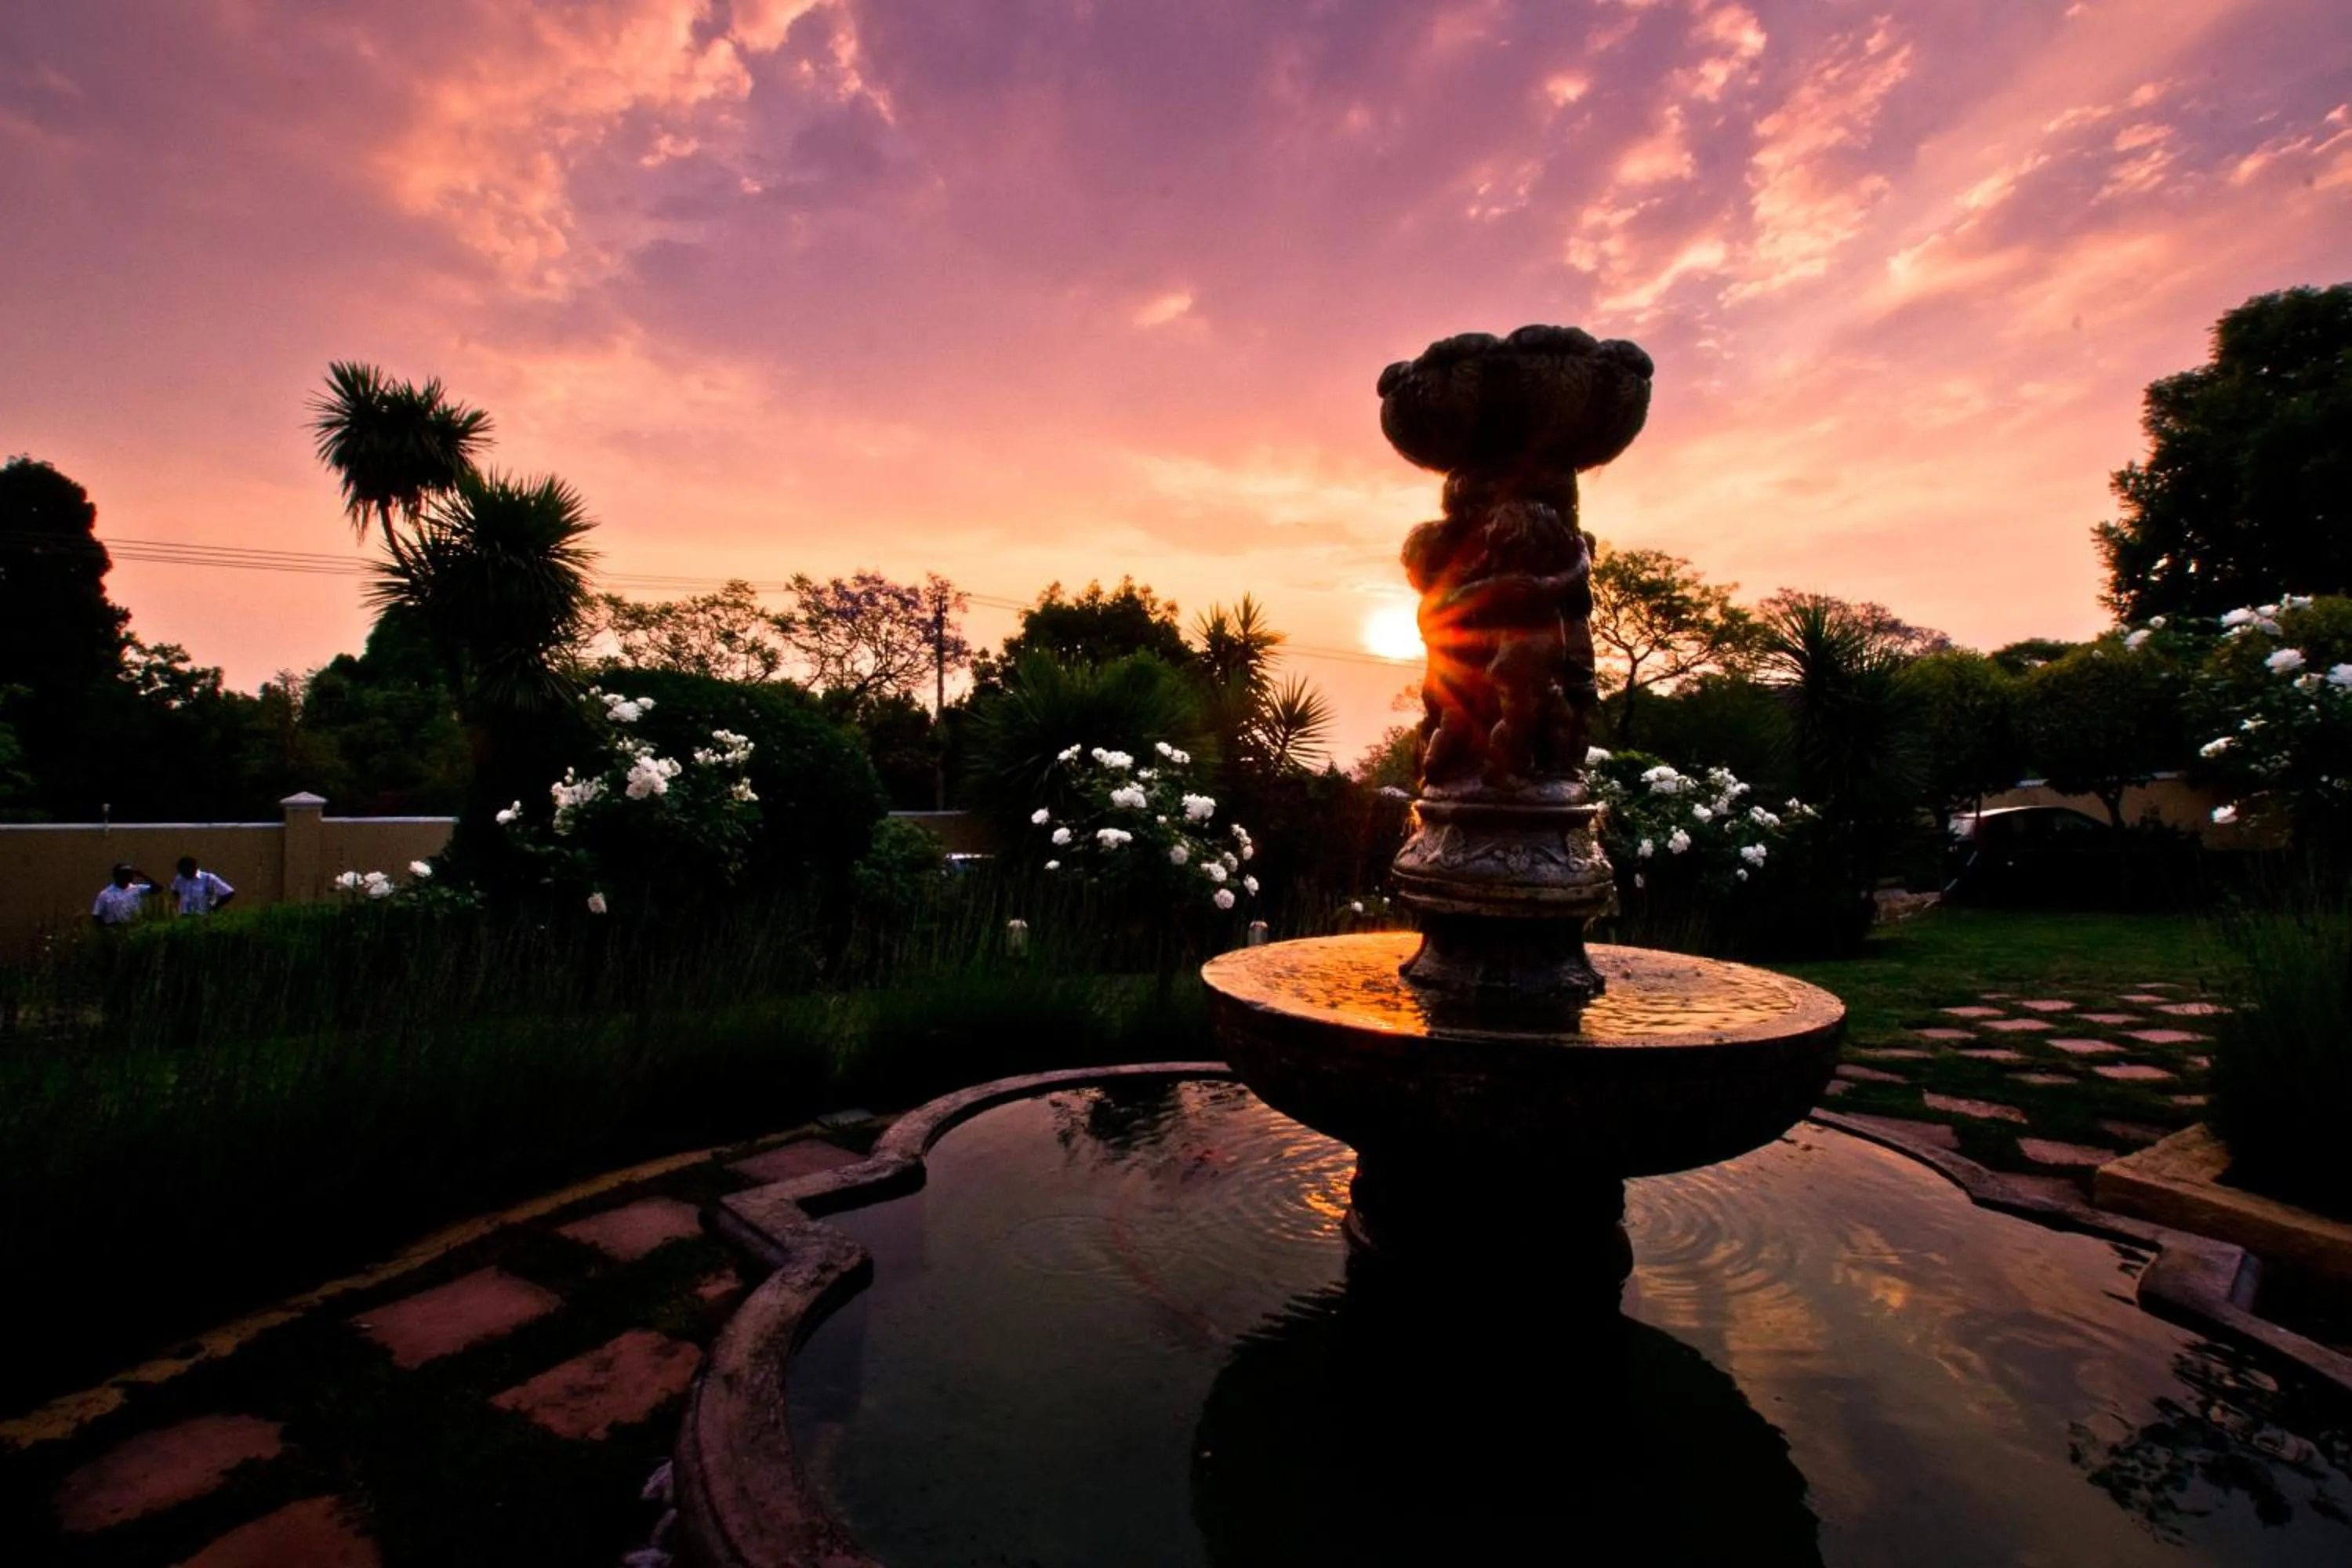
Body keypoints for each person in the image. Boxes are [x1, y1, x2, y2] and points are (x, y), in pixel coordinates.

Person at [92, 863, 158, 927]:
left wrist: (144, 876)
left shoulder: (138, 889)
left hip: (135, 928)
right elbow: (96, 915)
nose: (130, 876)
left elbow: (157, 889)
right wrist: (107, 929)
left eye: (130, 874)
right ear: (117, 876)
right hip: (116, 929)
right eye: (125, 874)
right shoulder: (105, 894)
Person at [169, 855, 236, 916]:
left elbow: (229, 892)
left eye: (185, 872)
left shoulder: (208, 878)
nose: (183, 875)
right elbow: (174, 889)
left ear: (193, 868)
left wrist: (215, 907)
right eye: (181, 872)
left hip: (203, 916)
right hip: (184, 916)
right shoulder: (180, 878)